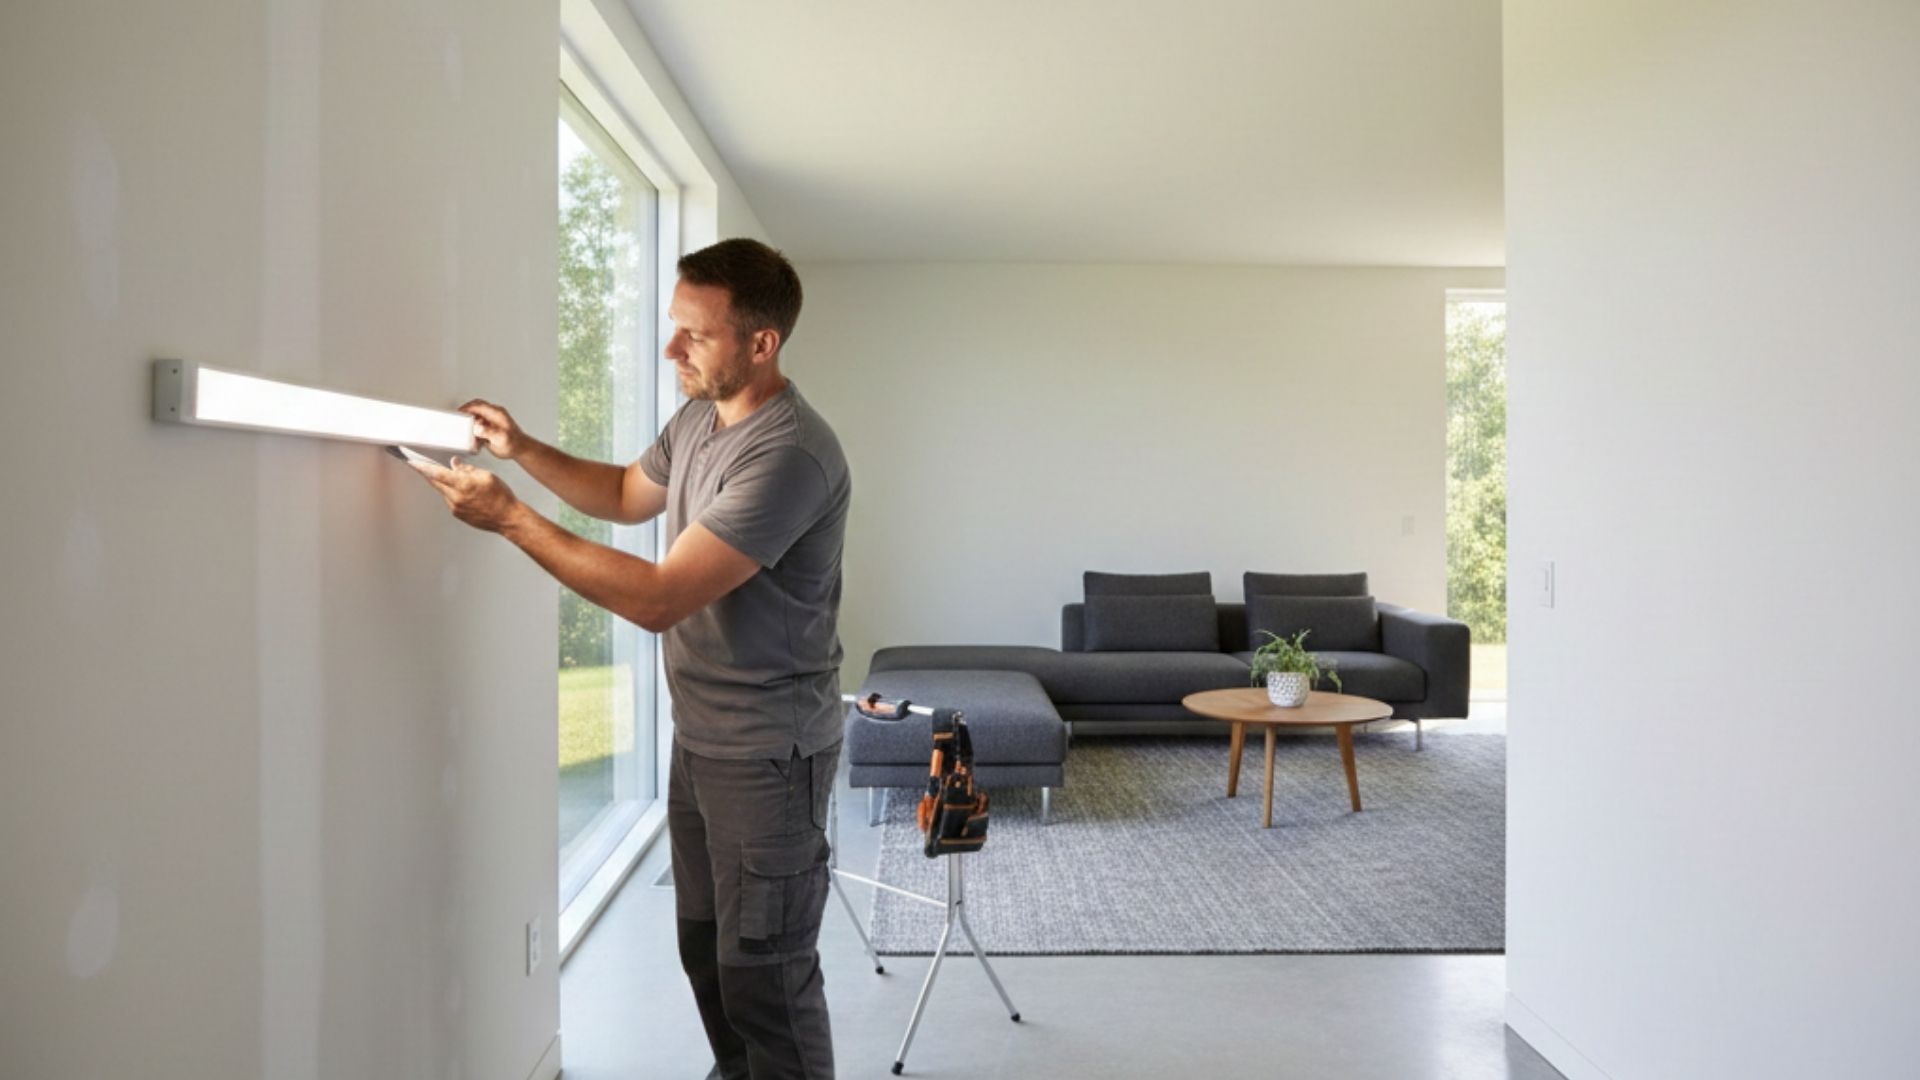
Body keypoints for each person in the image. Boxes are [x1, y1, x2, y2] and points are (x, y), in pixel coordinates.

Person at [413, 238, 850, 1080]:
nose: (671, 348)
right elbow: (621, 493)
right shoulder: (698, 418)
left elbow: (658, 599)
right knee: (706, 950)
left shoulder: (788, 457)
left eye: (696, 334)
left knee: (767, 977)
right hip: (702, 738)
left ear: (762, 343)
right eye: (674, 326)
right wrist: (522, 449)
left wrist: (510, 518)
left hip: (769, 755)